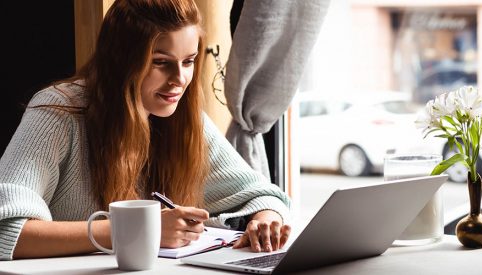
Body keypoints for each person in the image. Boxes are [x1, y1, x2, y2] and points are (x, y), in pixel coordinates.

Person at [0, 0, 291, 260]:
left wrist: (265, 219)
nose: (179, 79)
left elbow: (263, 195)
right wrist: (139, 229)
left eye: (188, 61)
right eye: (161, 63)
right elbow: (5, 232)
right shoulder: (58, 110)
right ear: (122, 60)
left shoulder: (183, 117)